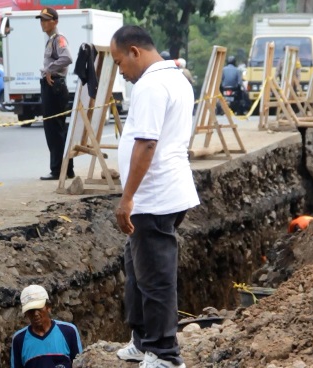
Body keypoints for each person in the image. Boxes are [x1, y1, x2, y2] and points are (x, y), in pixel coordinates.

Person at [110, 25, 200, 368]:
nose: (121, 71)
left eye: (120, 62)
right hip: (163, 191)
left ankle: (164, 354)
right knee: (137, 268)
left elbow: (147, 143)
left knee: (156, 276)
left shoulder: (150, 85)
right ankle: (142, 339)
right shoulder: (175, 77)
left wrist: (127, 197)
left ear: (135, 51)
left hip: (154, 196)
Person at [36, 7, 74, 181]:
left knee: (54, 130)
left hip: (55, 87)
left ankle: (58, 170)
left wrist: (49, 69)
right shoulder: (51, 40)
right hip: (53, 86)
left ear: (55, 21)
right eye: (41, 20)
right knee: (58, 129)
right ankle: (67, 169)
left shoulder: (59, 39)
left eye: (46, 19)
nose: (43, 23)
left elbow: (67, 58)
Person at [10, 285, 83, 368]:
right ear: (26, 313)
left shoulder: (69, 332)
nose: (36, 314)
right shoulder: (19, 340)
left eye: (39, 308)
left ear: (48, 307)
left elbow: (80, 364)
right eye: (31, 310)